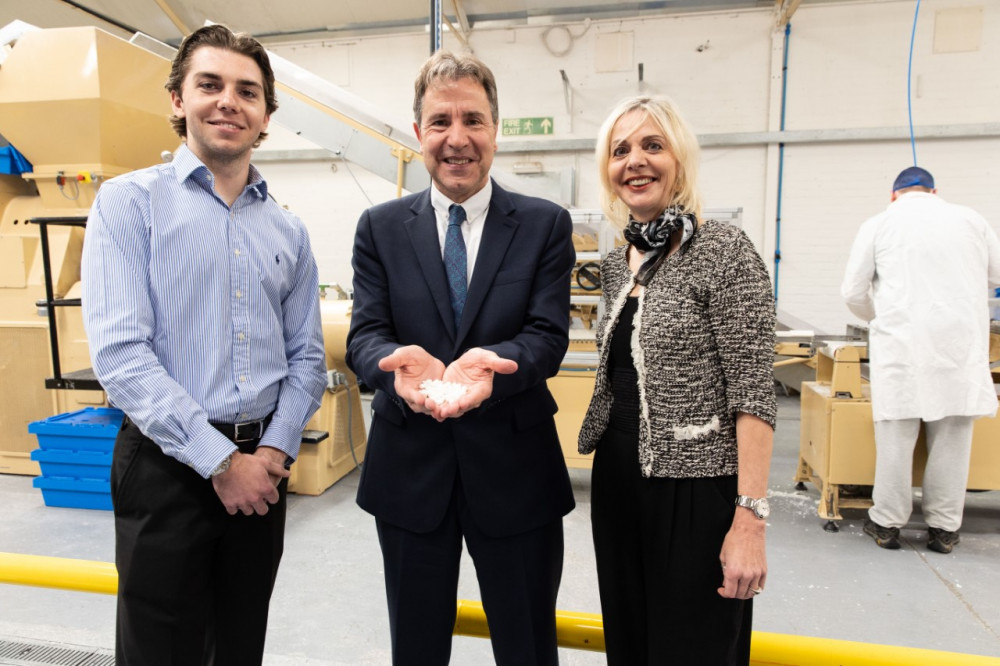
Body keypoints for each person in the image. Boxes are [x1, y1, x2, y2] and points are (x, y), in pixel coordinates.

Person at [81, 24, 327, 665]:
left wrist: (270, 450)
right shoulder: (130, 204)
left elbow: (305, 358)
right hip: (167, 468)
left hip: (262, 473)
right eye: (209, 84)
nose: (228, 102)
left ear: (266, 114)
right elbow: (121, 355)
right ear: (177, 99)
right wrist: (222, 462)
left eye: (248, 91)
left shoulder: (288, 229)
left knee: (240, 643)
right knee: (160, 647)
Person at [345, 50, 576, 665]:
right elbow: (364, 336)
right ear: (418, 132)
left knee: (527, 646)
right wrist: (398, 369)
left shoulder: (544, 225)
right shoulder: (380, 228)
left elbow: (546, 335)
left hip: (515, 469)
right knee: (416, 649)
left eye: (472, 120)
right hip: (410, 473)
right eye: (440, 121)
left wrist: (489, 372)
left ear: (494, 129)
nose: (457, 139)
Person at [577, 95, 776, 665]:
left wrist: (749, 522)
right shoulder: (620, 263)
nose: (634, 161)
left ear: (680, 160)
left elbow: (753, 397)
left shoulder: (723, 251)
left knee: (694, 647)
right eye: (620, 151)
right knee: (630, 640)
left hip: (695, 490)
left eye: (652, 145)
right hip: (618, 481)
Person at [841, 166, 1000, 554]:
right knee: (952, 441)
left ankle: (886, 524)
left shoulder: (879, 223)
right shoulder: (971, 219)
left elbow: (852, 291)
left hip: (902, 348)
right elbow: (997, 275)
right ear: (935, 191)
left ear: (894, 195)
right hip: (959, 348)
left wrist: (877, 317)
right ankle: (943, 530)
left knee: (896, 439)